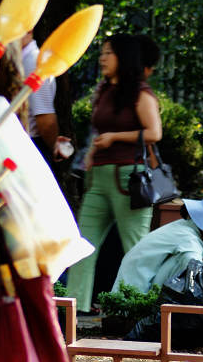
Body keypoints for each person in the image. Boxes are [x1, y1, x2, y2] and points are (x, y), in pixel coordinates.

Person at [66, 34, 163, 313]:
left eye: (109, 53)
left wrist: (115, 138)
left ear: (124, 58)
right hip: (98, 178)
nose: (102, 58)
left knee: (135, 249)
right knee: (83, 245)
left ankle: (136, 310)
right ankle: (74, 310)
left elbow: (154, 133)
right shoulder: (105, 90)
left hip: (129, 178)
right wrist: (93, 152)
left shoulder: (141, 93)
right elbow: (98, 129)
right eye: (102, 53)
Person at [111, 189, 203, 295]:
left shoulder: (184, 227)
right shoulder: (188, 240)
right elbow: (195, 274)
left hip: (134, 288)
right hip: (136, 293)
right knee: (192, 265)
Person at [21, 30, 73, 165]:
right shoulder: (22, 59)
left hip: (31, 147)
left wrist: (53, 145)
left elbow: (46, 120)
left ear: (29, 31)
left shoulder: (34, 62)